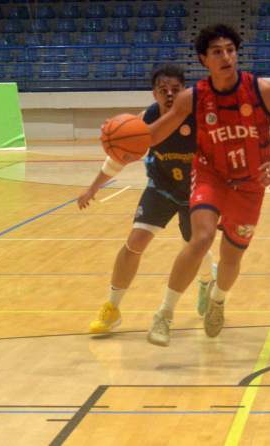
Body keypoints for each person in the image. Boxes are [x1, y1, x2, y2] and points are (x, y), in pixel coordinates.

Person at [101, 24, 270, 346]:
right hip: (211, 176)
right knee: (202, 237)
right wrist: (120, 137)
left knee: (231, 257)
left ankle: (217, 300)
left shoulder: (262, 90)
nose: (226, 57)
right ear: (203, 59)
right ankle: (164, 314)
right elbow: (154, 133)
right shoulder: (192, 98)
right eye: (217, 52)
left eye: (230, 50)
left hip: (250, 183)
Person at [79, 65, 215, 335]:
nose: (169, 94)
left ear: (184, 92)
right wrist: (93, 188)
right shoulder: (145, 120)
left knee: (194, 248)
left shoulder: (199, 118)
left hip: (195, 190)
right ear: (154, 94)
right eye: (163, 90)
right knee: (135, 242)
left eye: (175, 89)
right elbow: (119, 158)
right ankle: (112, 308)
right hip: (161, 187)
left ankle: (207, 279)